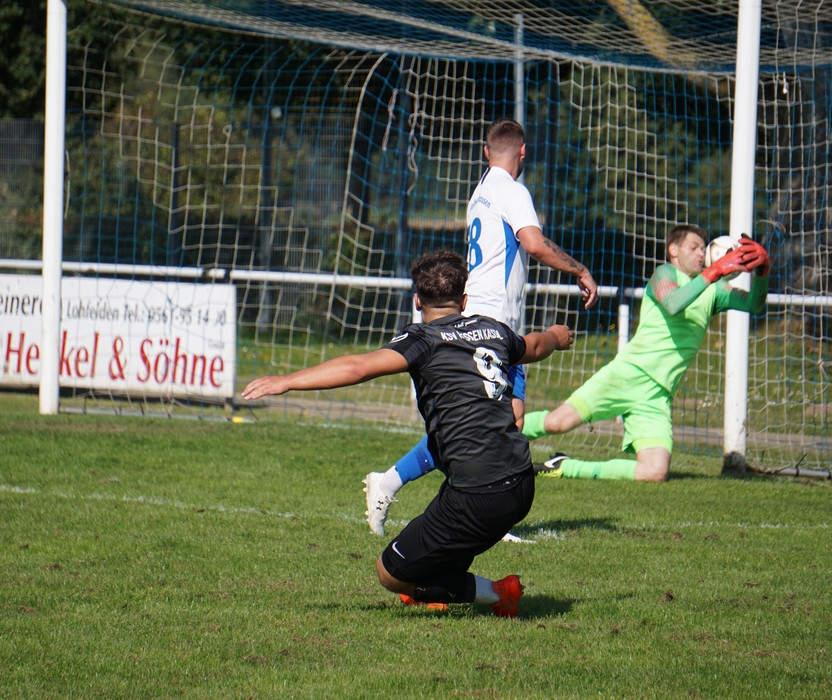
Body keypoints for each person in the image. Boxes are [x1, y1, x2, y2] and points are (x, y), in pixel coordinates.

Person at [242, 250, 574, 615]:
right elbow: (535, 345)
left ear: (417, 302)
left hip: (479, 495)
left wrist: (288, 381)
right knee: (434, 562)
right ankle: (440, 585)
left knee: (391, 574)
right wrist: (557, 335)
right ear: (464, 300)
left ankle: (499, 593)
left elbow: (358, 366)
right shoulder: (493, 329)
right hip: (522, 483)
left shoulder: (423, 340)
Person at [363, 118, 599, 535]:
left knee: (509, 419)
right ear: (522, 152)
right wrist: (580, 270)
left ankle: (393, 482)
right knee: (489, 425)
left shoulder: (482, 191)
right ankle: (475, 511)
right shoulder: (512, 190)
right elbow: (534, 243)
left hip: (486, 318)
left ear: (486, 151)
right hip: (491, 324)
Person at [526, 226, 770, 481]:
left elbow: (755, 305)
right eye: (694, 247)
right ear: (673, 250)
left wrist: (762, 272)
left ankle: (563, 466)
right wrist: (715, 271)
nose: (701, 252)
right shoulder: (665, 273)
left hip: (656, 395)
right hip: (627, 375)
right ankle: (502, 435)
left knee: (655, 471)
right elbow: (674, 303)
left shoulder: (714, 290)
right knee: (556, 423)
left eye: (703, 247)